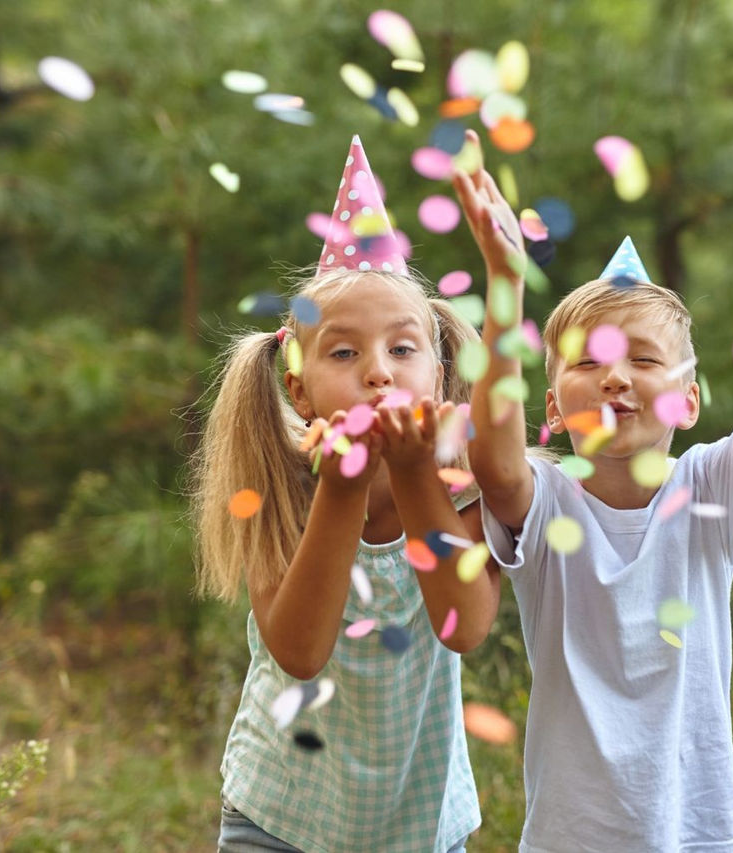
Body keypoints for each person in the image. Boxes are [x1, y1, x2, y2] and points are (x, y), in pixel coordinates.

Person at [452, 87, 733, 851]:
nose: (615, 376)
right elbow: (494, 462)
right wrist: (503, 278)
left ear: (689, 401)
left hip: (703, 834)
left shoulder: (709, 492)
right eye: (589, 362)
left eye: (643, 358)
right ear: (554, 405)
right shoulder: (546, 497)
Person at [192, 136, 502, 853]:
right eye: (343, 352)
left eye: (402, 349)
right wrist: (343, 488)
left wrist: (417, 473)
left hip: (422, 824)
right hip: (282, 820)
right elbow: (299, 650)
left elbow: (465, 626)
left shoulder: (466, 482)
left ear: (437, 363)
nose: (378, 373)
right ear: (296, 383)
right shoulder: (278, 482)